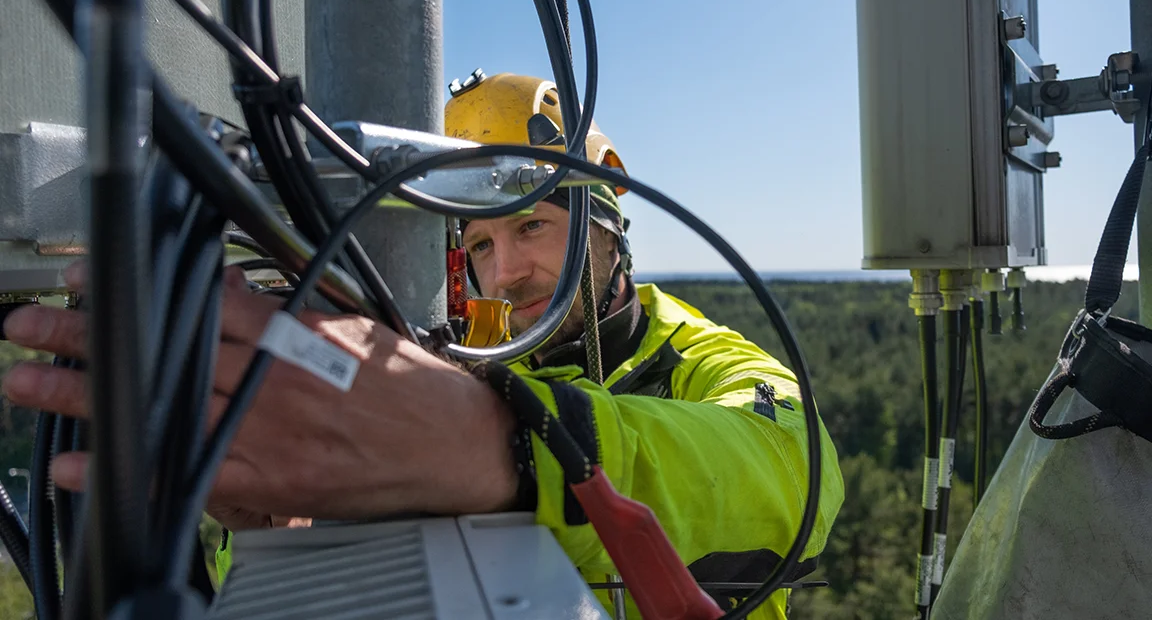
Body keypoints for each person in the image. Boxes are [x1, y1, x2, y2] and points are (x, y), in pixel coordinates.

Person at [0, 72, 844, 619]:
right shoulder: (463, 358)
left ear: (607, 225)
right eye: (479, 245)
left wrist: (505, 444)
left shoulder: (697, 358)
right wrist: (290, 532)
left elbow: (795, 468)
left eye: (532, 225)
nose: (505, 272)